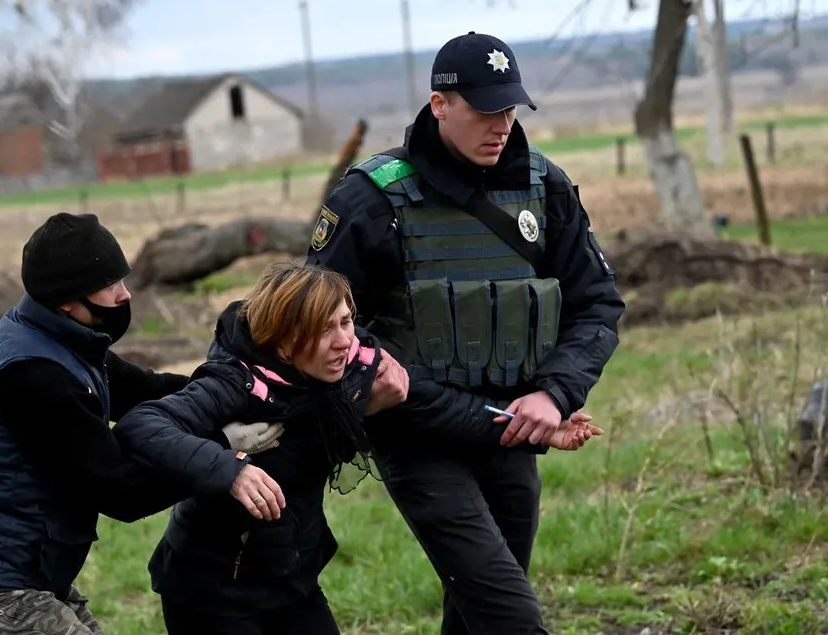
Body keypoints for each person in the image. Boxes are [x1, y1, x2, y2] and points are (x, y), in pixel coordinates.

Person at [305, 31, 625, 635]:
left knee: (478, 615)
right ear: (440, 104)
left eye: (509, 108)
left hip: (512, 429)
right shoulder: (373, 198)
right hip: (418, 434)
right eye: (485, 110)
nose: (500, 124)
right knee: (509, 615)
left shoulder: (543, 186)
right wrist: (369, 376)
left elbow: (597, 304)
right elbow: (312, 322)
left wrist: (554, 394)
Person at [111, 261, 600, 635]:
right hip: (212, 592)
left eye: (346, 321)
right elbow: (144, 423)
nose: (344, 340)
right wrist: (230, 468)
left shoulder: (355, 366)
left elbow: (435, 406)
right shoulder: (235, 383)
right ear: (284, 341)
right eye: (326, 328)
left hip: (293, 578)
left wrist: (530, 426)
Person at [0, 212, 279, 635]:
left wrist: (244, 391)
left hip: (38, 575)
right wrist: (219, 447)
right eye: (110, 285)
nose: (124, 295)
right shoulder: (31, 376)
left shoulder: (64, 342)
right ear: (67, 299)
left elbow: (148, 389)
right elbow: (123, 490)